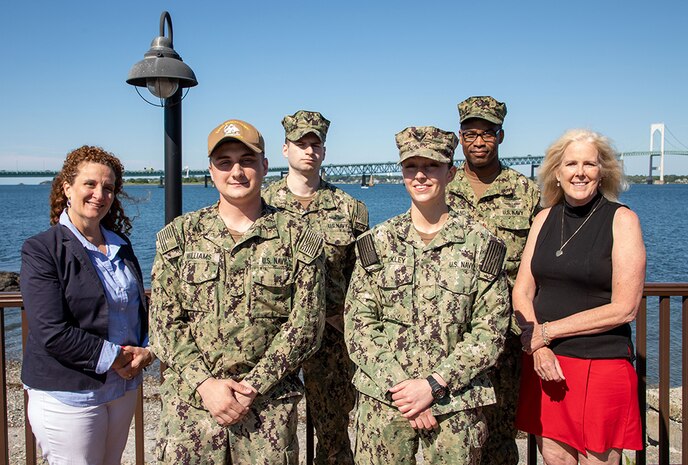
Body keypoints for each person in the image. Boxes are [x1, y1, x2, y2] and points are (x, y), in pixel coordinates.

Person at [150, 119, 326, 464]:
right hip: (192, 412)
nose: (237, 171)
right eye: (225, 162)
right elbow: (164, 324)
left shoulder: (298, 236)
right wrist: (206, 385)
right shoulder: (181, 236)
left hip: (266, 413)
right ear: (212, 170)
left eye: (246, 160)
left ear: (263, 165)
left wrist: (251, 388)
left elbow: (306, 325)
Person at [345, 126, 510, 464]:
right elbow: (359, 324)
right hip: (385, 401)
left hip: (456, 403)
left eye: (431, 166)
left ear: (450, 173)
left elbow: (490, 331)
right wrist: (404, 389)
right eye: (411, 167)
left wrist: (433, 386)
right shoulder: (377, 243)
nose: (420, 176)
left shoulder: (482, 245)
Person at [513, 129, 645, 465]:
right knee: (554, 457)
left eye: (589, 163)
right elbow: (523, 290)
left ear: (603, 172)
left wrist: (547, 332)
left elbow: (625, 308)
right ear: (557, 172)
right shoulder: (543, 219)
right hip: (547, 364)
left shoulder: (622, 220)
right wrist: (539, 346)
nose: (580, 172)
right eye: (571, 163)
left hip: (601, 365)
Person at [20, 145, 153, 465]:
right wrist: (116, 357)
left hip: (120, 388)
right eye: (90, 184)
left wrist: (147, 349)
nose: (99, 194)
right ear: (67, 188)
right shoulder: (42, 250)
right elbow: (51, 331)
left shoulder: (121, 245)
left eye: (108, 188)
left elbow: (134, 310)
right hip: (69, 393)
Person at [262, 110, 368, 465]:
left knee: (335, 432)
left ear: (324, 151)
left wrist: (348, 318)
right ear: (285, 149)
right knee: (274, 431)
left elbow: (364, 277)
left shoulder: (350, 209)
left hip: (333, 339)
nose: (308, 150)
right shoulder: (261, 206)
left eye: (315, 143)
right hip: (276, 335)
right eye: (300, 143)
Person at [446, 95, 541, 464]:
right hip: (453, 333)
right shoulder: (443, 188)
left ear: (501, 136)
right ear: (460, 137)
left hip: (508, 336)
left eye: (488, 133)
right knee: (454, 432)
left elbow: (540, 262)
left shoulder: (526, 192)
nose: (479, 142)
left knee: (502, 436)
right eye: (470, 134)